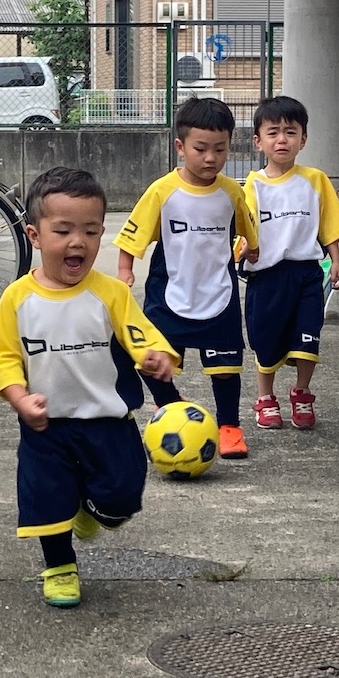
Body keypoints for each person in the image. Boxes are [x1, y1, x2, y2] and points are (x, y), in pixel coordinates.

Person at [0, 167, 179, 608]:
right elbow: (2, 360)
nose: (79, 242)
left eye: (91, 231)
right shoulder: (18, 298)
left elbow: (141, 335)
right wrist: (19, 398)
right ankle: (59, 567)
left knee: (122, 499)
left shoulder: (110, 293)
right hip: (46, 427)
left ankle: (91, 511)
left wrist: (155, 356)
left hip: (108, 422)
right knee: (47, 500)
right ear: (35, 235)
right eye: (64, 230)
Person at [115, 96, 259, 460]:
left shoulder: (231, 192)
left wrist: (253, 249)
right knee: (150, 359)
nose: (210, 157)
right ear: (181, 147)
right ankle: (170, 405)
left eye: (220, 149)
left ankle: (229, 427)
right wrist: (125, 269)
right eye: (200, 148)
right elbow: (134, 234)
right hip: (170, 294)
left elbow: (247, 228)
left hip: (218, 295)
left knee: (226, 369)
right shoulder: (162, 191)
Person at [241, 95, 339, 431]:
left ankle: (302, 392)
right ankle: (265, 398)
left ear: (304, 138)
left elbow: (329, 225)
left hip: (305, 275)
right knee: (267, 341)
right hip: (267, 278)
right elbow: (242, 231)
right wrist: (242, 250)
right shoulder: (252, 186)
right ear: (258, 141)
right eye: (273, 133)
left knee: (307, 339)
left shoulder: (315, 180)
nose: (282, 139)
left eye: (290, 132)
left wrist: (337, 263)